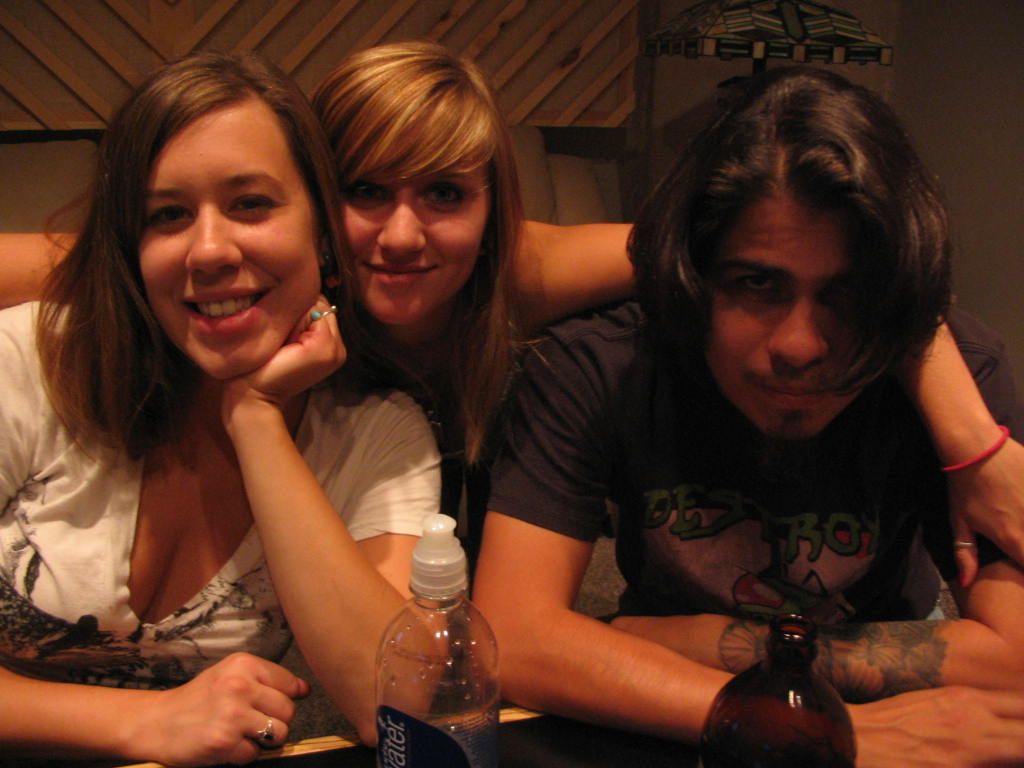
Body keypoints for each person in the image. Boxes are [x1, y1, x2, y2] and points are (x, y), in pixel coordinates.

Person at [473, 66, 1024, 766]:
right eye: (757, 284)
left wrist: (696, 641)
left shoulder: (965, 376)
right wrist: (790, 726)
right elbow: (513, 637)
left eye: (847, 296)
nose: (800, 346)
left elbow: (1015, 659)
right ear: (694, 278)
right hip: (663, 707)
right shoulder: (600, 363)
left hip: (876, 710)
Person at [308, 41, 1024, 578]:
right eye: (365, 190)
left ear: (495, 207)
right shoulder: (284, 306)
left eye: (444, 194)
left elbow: (880, 276)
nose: (401, 237)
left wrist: (972, 443)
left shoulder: (524, 274)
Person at [0, 51, 439, 765]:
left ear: (322, 232)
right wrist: (142, 723)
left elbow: (397, 706)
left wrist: (256, 416)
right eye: (168, 215)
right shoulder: (26, 362)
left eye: (251, 204)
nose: (208, 251)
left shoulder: (379, 435)